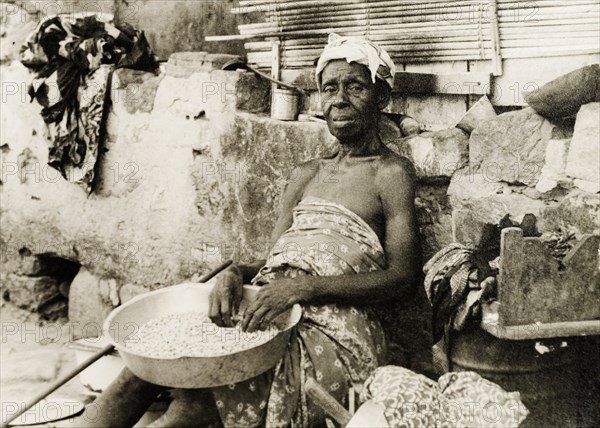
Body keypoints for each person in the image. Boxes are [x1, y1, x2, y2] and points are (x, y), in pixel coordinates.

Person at [76, 33, 424, 428]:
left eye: (355, 86)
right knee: (139, 370)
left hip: (336, 328)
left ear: (382, 98)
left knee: (192, 411)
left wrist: (304, 289)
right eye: (330, 88)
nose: (339, 99)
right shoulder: (305, 174)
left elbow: (403, 278)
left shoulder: (390, 172)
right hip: (269, 307)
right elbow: (271, 264)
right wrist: (233, 274)